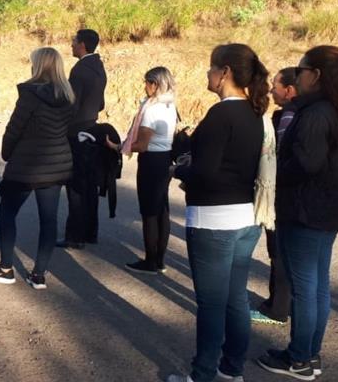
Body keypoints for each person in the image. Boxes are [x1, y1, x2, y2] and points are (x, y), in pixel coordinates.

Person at [256, 46, 338, 380]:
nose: (296, 75)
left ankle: (299, 357)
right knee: (317, 285)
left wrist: (269, 173)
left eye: (300, 70)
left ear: (314, 75)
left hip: (305, 211)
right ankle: (309, 354)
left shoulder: (316, 113)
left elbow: (305, 163)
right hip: (327, 210)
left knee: (304, 287)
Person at [166, 43, 269, 382]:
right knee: (235, 298)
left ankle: (203, 374)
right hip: (245, 219)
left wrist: (179, 170)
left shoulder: (220, 114)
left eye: (211, 69)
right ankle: (231, 368)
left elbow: (205, 173)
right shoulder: (255, 114)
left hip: (213, 221)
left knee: (211, 305)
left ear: (224, 72)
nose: (207, 75)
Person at [0, 47, 75, 290]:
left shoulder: (30, 95)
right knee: (48, 220)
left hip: (26, 165)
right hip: (56, 164)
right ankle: (39, 274)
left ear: (37, 65)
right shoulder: (68, 96)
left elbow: (15, 128)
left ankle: (6, 268)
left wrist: (7, 153)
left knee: (8, 213)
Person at [107, 67, 177, 274]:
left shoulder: (152, 109)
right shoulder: (170, 104)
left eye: (146, 82)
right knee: (162, 210)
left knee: (149, 212)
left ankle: (150, 261)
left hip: (151, 161)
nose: (144, 86)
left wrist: (120, 147)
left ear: (155, 84)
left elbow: (142, 145)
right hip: (165, 158)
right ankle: (160, 259)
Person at [250, 67, 298, 326]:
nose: (271, 90)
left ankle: (279, 308)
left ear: (289, 90)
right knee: (277, 250)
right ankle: (276, 301)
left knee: (279, 251)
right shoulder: (287, 116)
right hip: (283, 196)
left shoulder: (289, 119)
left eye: (276, 86)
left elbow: (278, 159)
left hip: (282, 197)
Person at [59, 29, 107, 249]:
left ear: (83, 45)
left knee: (75, 186)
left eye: (73, 41)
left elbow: (72, 105)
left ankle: (74, 236)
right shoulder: (98, 67)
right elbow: (100, 104)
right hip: (91, 128)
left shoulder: (79, 70)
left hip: (76, 132)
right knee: (89, 187)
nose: (71, 45)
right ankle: (89, 232)